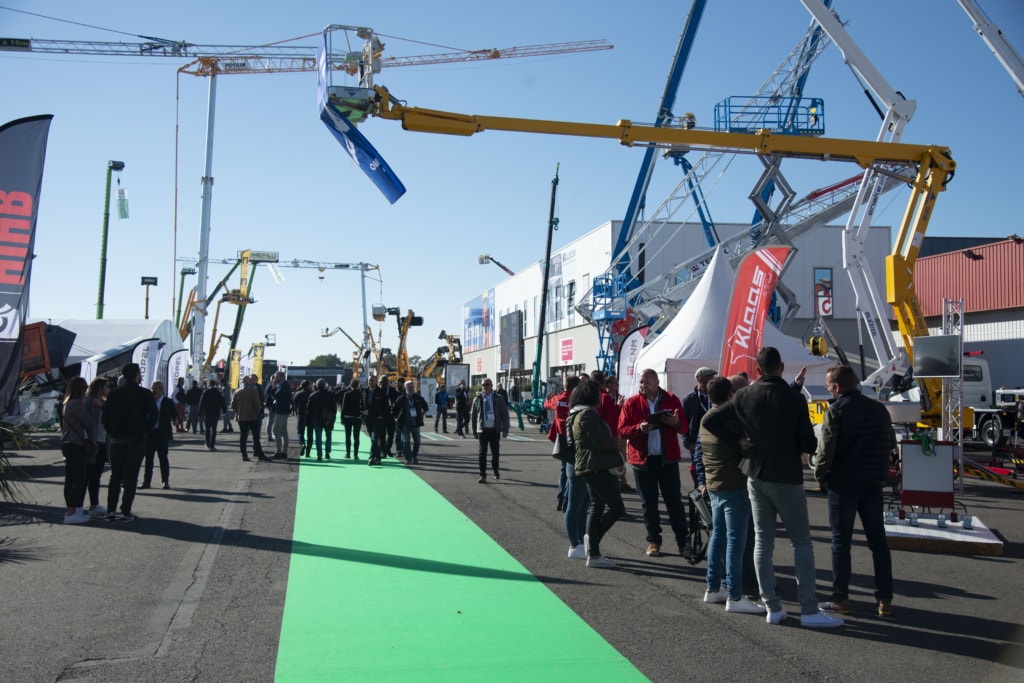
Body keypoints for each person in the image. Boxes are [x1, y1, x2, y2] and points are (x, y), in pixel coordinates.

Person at [703, 347, 843, 628]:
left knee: (762, 541)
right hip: (787, 475)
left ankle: (773, 606)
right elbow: (808, 444)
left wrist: (741, 442)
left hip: (756, 473)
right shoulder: (793, 399)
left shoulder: (743, 395)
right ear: (780, 367)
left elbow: (710, 420)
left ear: (758, 370)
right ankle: (808, 609)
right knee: (801, 541)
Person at [814, 364, 896, 617]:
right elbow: (890, 443)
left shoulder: (836, 410)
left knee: (841, 543)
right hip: (872, 483)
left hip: (843, 483)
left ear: (836, 387)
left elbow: (826, 449)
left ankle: (842, 598)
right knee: (878, 543)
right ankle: (884, 600)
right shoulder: (878, 409)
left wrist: (820, 475)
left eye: (829, 387)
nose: (829, 390)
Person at [700, 376, 765, 615]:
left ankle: (713, 586)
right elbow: (747, 446)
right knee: (736, 541)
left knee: (718, 536)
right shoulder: (730, 420)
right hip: (734, 484)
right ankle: (735, 594)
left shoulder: (706, 419)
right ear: (730, 395)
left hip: (715, 483)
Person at [618, 368, 690, 558]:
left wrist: (675, 422)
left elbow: (684, 428)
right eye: (641, 382)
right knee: (648, 504)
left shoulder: (671, 399)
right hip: (643, 461)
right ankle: (654, 541)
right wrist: (638, 428)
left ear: (658, 382)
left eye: (647, 382)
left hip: (667, 461)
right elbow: (622, 430)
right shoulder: (631, 403)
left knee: (674, 502)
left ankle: (683, 542)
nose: (643, 386)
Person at [567, 380, 625, 569]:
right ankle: (592, 546)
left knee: (596, 506)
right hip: (596, 466)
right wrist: (617, 443)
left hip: (587, 466)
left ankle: (593, 551)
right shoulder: (588, 414)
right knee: (616, 508)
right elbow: (599, 442)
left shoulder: (576, 413)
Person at [103, 362, 158, 522]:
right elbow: (154, 414)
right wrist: (146, 429)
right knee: (131, 477)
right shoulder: (144, 394)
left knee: (115, 476)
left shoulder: (114, 394)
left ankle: (110, 510)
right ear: (136, 375)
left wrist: (111, 432)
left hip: (116, 441)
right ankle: (125, 511)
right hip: (136, 440)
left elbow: (105, 417)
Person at [553, 380, 588, 561]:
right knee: (575, 505)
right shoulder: (581, 415)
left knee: (581, 506)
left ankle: (580, 542)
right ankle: (574, 544)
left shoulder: (565, 404)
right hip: (578, 462)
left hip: (575, 461)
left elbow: (549, 404)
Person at [60, 376, 93, 524]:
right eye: (85, 387)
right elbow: (87, 421)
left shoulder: (66, 403)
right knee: (79, 477)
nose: (86, 390)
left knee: (71, 478)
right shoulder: (76, 404)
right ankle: (71, 512)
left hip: (67, 442)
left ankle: (71, 510)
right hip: (75, 443)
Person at [545, 376, 580, 512]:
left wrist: (548, 398)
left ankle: (560, 500)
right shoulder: (577, 400)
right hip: (575, 437)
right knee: (572, 471)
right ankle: (566, 500)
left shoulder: (558, 399)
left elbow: (546, 405)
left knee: (564, 470)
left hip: (561, 438)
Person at [471, 378, 509, 483]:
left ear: (491, 386)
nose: (485, 387)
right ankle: (483, 475)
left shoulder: (498, 398)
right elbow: (473, 416)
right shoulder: (477, 399)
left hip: (494, 430)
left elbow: (505, 414)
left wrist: (505, 429)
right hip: (483, 430)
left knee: (495, 453)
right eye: (483, 385)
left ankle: (495, 469)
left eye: (487, 385)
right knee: (482, 453)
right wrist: (474, 430)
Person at [83, 377, 110, 517]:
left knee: (96, 475)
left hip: (102, 443)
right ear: (100, 387)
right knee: (88, 475)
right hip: (92, 444)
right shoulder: (88, 401)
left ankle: (94, 504)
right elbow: (85, 422)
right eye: (106, 386)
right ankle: (82, 505)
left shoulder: (103, 403)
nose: (108, 389)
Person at [141, 380, 176, 490]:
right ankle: (147, 482)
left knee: (163, 458)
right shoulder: (148, 401)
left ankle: (165, 481)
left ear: (161, 390)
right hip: (150, 434)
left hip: (162, 434)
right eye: (152, 388)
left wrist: (176, 421)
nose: (153, 390)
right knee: (148, 459)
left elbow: (174, 414)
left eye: (155, 388)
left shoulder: (168, 402)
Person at [231, 375, 268, 462]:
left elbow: (232, 405)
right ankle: (260, 454)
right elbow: (257, 405)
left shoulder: (237, 391)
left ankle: (244, 455)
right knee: (255, 437)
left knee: (243, 437)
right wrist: (257, 413)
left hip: (241, 417)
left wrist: (238, 411)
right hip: (252, 417)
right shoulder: (253, 391)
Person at [394, 380, 429, 463]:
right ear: (405, 387)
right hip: (405, 423)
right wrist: (396, 418)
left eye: (412, 386)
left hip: (416, 423)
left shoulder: (418, 398)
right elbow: (393, 409)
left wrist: (422, 414)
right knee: (406, 441)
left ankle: (414, 456)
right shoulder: (401, 398)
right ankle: (408, 458)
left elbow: (426, 407)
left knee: (417, 441)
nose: (411, 388)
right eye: (409, 386)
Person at [305, 379, 337, 461]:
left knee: (318, 437)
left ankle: (319, 455)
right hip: (328, 418)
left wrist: (308, 420)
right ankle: (327, 452)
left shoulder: (312, 395)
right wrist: (333, 417)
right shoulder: (330, 395)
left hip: (316, 419)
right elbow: (334, 407)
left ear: (316, 386)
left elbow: (308, 410)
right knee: (328, 435)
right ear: (324, 386)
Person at [365, 375, 390, 466]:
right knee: (373, 440)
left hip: (378, 419)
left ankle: (371, 457)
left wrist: (381, 415)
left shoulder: (381, 392)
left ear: (376, 381)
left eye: (372, 380)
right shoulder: (365, 392)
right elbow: (361, 404)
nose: (371, 382)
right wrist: (363, 412)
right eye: (369, 380)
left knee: (375, 438)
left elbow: (385, 406)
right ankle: (378, 458)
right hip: (368, 419)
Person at [266, 371, 292, 459]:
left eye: (276, 377)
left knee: (276, 430)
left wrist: (273, 387)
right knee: (283, 431)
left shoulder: (283, 385)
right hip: (283, 410)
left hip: (281, 411)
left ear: (281, 377)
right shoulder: (284, 385)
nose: (275, 379)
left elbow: (276, 396)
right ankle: (284, 452)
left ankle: (279, 451)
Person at [200, 379, 228, 451]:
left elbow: (201, 403)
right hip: (215, 413)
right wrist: (224, 411)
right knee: (214, 429)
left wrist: (200, 413)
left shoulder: (205, 392)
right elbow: (223, 402)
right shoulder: (218, 392)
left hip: (207, 413)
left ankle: (207, 443)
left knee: (207, 429)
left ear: (208, 384)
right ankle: (212, 445)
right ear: (214, 385)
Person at [339, 378, 363, 459]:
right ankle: (356, 454)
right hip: (357, 417)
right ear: (358, 385)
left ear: (350, 385)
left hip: (348, 417)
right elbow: (362, 406)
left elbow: (343, 407)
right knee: (356, 437)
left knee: (348, 436)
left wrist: (342, 417)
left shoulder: (347, 394)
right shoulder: (360, 394)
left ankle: (348, 453)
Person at [293, 380, 312, 457]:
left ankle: (302, 443)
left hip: (300, 414)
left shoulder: (297, 393)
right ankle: (308, 452)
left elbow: (294, 405)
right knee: (310, 434)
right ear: (308, 386)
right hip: (310, 415)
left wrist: (295, 412)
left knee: (300, 432)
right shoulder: (311, 394)